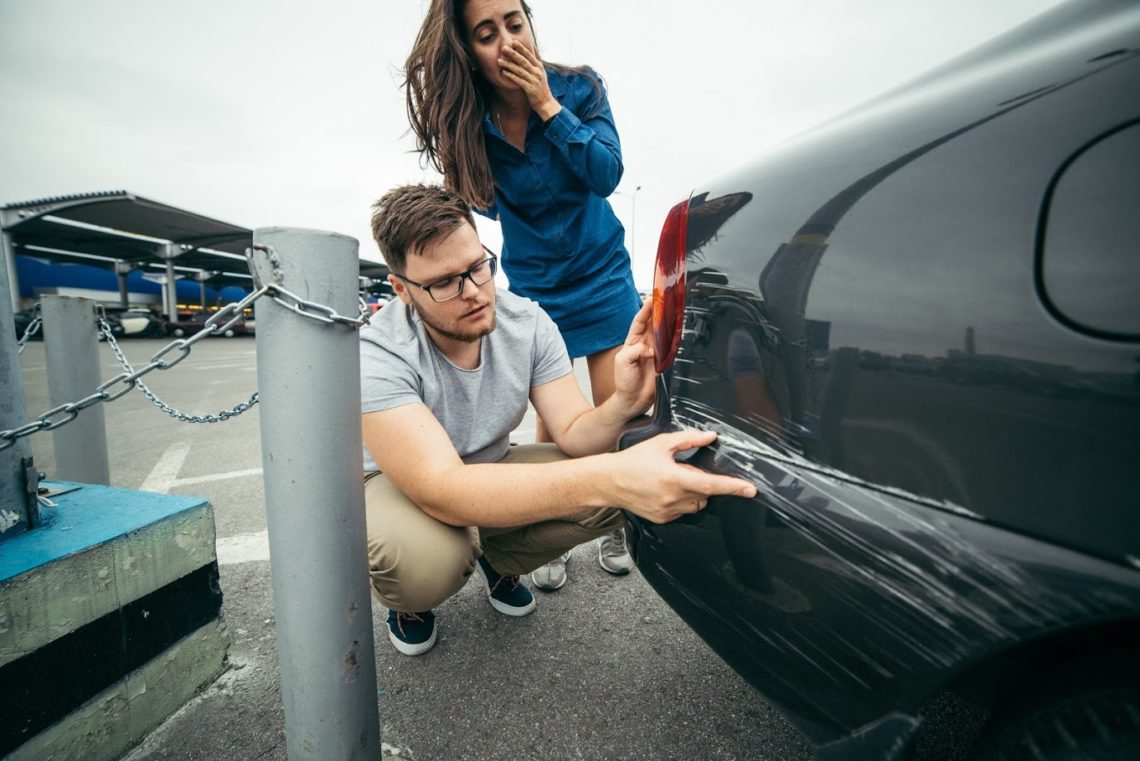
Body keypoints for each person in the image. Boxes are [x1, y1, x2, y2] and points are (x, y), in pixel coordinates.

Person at [360, 184, 757, 656]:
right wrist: (611, 478)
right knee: (424, 562)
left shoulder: (525, 320)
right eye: (444, 282)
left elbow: (574, 435)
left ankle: (498, 560)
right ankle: (411, 603)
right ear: (402, 288)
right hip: (402, 484)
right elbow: (441, 488)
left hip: (488, 466)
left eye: (478, 267)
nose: (474, 293)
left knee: (625, 472)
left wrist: (624, 403)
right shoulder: (377, 351)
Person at [403, 0, 641, 588]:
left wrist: (546, 106)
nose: (508, 41)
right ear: (470, 54)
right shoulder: (470, 123)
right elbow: (481, 200)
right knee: (555, 423)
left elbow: (606, 174)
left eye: (515, 22)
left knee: (615, 411)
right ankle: (552, 525)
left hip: (602, 270)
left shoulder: (580, 88)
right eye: (487, 34)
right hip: (536, 285)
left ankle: (617, 524)